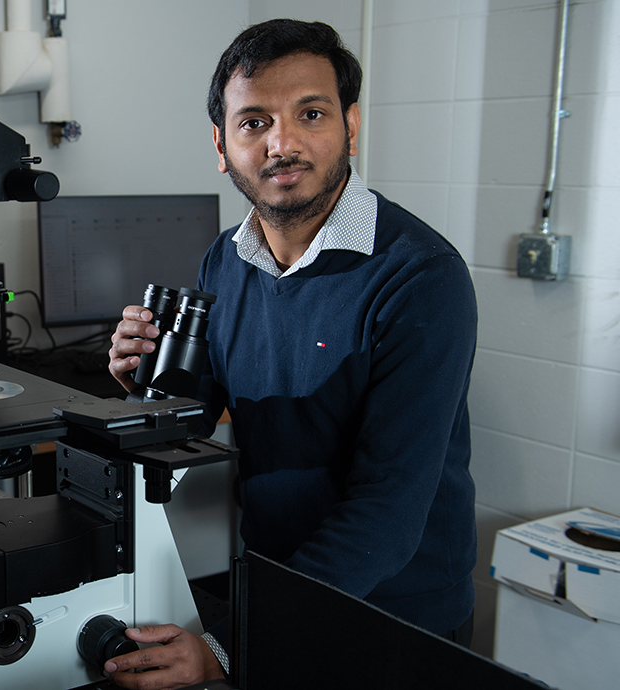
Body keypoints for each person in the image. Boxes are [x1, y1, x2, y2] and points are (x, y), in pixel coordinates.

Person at [104, 19, 478, 689]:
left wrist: (229, 645)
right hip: (279, 587)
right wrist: (144, 382)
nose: (282, 143)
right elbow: (199, 416)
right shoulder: (226, 257)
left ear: (350, 124)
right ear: (221, 146)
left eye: (311, 113)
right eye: (253, 122)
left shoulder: (419, 277)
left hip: (390, 621)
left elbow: (386, 514)